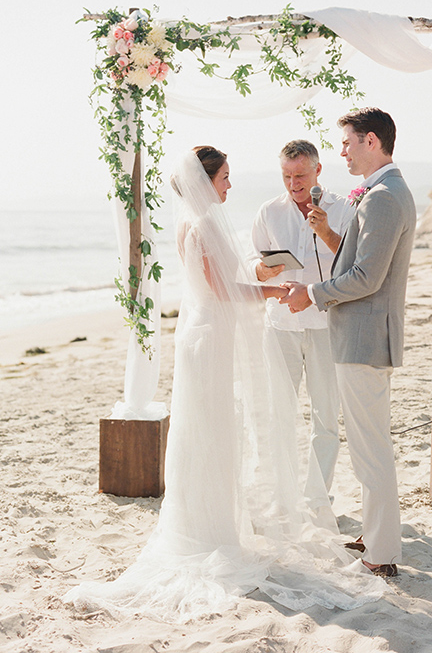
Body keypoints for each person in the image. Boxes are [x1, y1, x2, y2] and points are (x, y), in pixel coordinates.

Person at [65, 146, 386, 621]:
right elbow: (227, 292)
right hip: (210, 338)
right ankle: (209, 534)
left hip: (204, 334)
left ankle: (211, 527)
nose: (231, 186)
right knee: (210, 434)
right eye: (226, 178)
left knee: (210, 435)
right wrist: (275, 290)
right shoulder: (202, 225)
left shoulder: (195, 221)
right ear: (205, 181)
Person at [281, 109, 416, 578]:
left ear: (371, 141)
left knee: (370, 447)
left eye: (346, 142)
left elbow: (367, 276)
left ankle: (381, 554)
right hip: (359, 334)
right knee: (365, 444)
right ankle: (374, 535)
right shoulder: (383, 191)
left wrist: (313, 294)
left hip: (364, 335)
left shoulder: (383, 197)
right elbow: (358, 260)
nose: (340, 151)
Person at [249, 140, 354, 496]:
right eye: (286, 176)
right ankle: (283, 497)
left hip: (326, 325)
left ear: (318, 171)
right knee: (279, 414)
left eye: (300, 175)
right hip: (280, 326)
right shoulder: (269, 212)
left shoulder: (343, 208)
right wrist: (264, 269)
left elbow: (357, 263)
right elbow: (253, 267)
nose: (293, 183)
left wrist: (325, 231)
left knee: (325, 417)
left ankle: (316, 499)